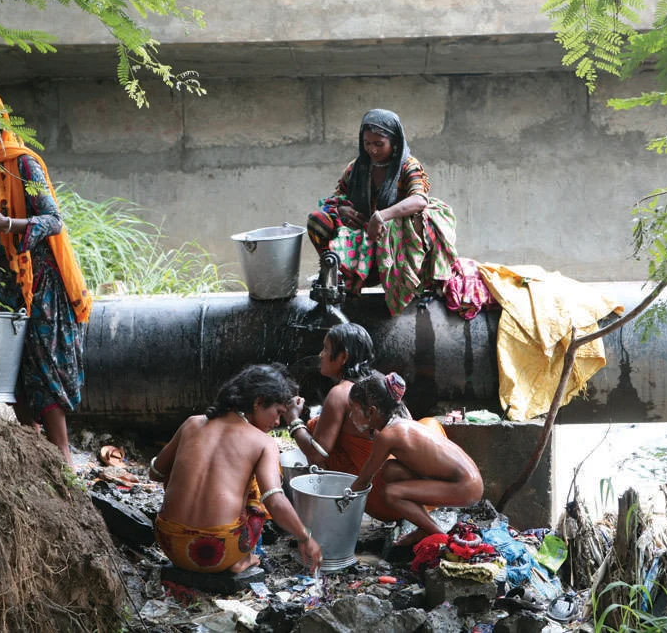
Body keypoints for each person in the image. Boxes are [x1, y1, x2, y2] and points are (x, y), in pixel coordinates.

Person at [0, 87, 92, 463]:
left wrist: (7, 223)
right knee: (7, 359)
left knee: (44, 361)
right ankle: (30, 443)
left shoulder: (21, 163)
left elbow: (53, 220)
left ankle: (62, 455)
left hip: (42, 277)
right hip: (2, 278)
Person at [151, 364, 323, 574]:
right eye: (277, 413)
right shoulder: (263, 442)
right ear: (258, 402)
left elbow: (155, 472)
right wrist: (305, 537)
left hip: (169, 543)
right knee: (258, 493)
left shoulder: (191, 423)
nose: (277, 422)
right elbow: (275, 501)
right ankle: (242, 559)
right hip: (217, 553)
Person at [306, 109, 457, 316]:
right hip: (361, 246)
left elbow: (419, 199)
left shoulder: (408, 166)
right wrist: (343, 209)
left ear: (394, 143)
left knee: (424, 218)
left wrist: (382, 216)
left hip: (396, 250)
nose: (372, 150)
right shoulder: (356, 168)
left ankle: (419, 281)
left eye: (379, 144)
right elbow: (336, 197)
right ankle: (337, 276)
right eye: (367, 143)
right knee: (318, 220)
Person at [284, 322, 410, 521]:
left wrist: (292, 419)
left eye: (326, 349)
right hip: (411, 495)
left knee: (316, 431)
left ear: (343, 357)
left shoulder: (341, 393)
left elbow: (317, 456)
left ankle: (331, 515)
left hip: (381, 496)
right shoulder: (381, 381)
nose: (320, 355)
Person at [348, 371, 484, 546]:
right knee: (390, 470)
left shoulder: (388, 435)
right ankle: (424, 528)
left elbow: (363, 480)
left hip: (467, 487)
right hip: (467, 482)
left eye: (353, 409)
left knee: (392, 494)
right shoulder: (399, 423)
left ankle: (439, 535)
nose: (350, 416)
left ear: (371, 411)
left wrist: (337, 503)